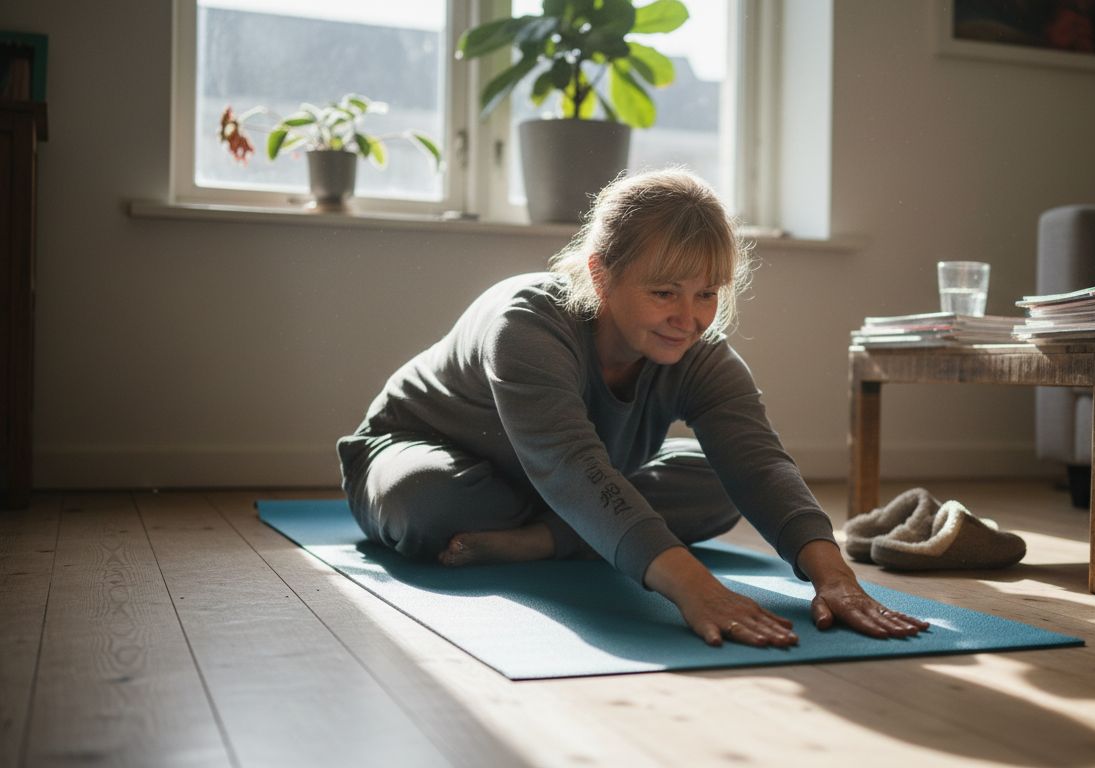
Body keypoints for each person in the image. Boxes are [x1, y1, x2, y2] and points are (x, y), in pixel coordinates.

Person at [337, 169, 928, 648]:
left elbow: (762, 464)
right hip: (428, 456)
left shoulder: (700, 353)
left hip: (566, 483)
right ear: (601, 274)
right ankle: (574, 525)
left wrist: (836, 578)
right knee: (429, 500)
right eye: (664, 292)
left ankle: (547, 537)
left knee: (721, 482)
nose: (688, 318)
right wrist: (694, 587)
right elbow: (570, 464)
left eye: (706, 295)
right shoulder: (525, 323)